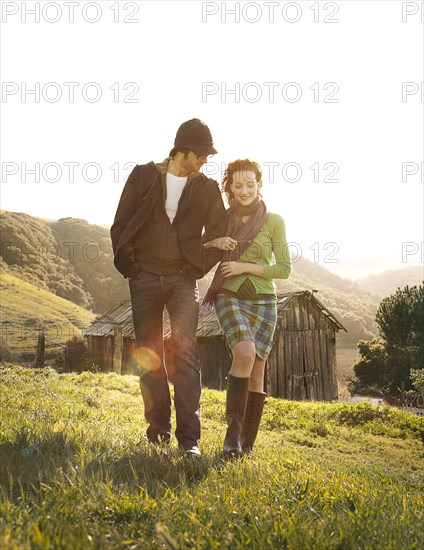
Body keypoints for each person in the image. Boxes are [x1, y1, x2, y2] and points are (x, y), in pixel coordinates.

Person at [111, 119, 227, 458]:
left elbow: (219, 236)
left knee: (186, 355)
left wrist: (196, 267)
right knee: (149, 355)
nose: (205, 161)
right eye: (202, 155)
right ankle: (158, 434)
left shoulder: (206, 188)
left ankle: (190, 441)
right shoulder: (144, 176)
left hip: (182, 279)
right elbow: (120, 223)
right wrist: (131, 267)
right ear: (184, 152)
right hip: (144, 276)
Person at [203, 159, 291, 457]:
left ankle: (246, 442)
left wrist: (243, 265)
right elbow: (198, 246)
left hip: (265, 300)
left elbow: (284, 269)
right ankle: (231, 435)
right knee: (245, 353)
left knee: (257, 372)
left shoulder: (274, 221)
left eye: (250, 185)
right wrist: (215, 240)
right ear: (229, 187)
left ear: (259, 185)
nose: (244, 191)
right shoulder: (223, 218)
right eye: (237, 185)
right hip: (229, 295)